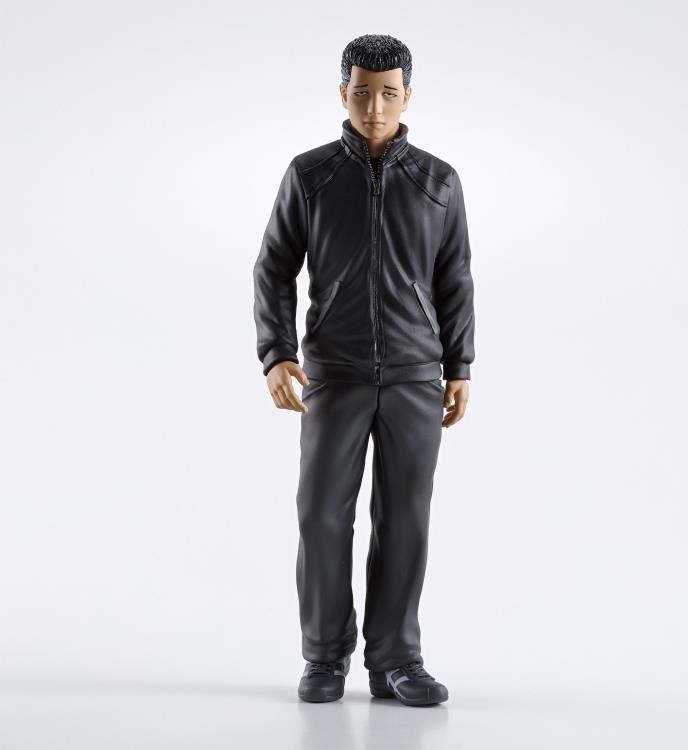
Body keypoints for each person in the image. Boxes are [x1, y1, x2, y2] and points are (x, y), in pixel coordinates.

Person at [253, 33, 475, 706]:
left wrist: (459, 364)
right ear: (342, 93)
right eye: (361, 92)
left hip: (415, 375)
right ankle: (324, 657)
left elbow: (455, 278)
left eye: (387, 93)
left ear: (408, 96)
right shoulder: (311, 174)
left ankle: (396, 660)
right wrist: (277, 353)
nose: (374, 107)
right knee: (322, 515)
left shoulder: (438, 182)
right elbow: (274, 267)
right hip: (335, 374)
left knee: (405, 520)